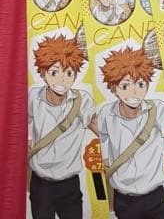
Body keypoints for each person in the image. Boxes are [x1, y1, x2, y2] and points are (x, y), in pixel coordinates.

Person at [90, 46, 164, 218]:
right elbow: (86, 123)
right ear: (113, 88)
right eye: (125, 85)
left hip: (155, 197)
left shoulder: (158, 110)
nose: (134, 91)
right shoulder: (105, 114)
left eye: (140, 84)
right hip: (124, 200)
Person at [28, 35, 94, 219]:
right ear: (43, 73)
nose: (62, 79)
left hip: (69, 184)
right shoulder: (33, 97)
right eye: (55, 72)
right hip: (41, 183)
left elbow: (101, 128)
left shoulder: (83, 101)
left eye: (69, 73)